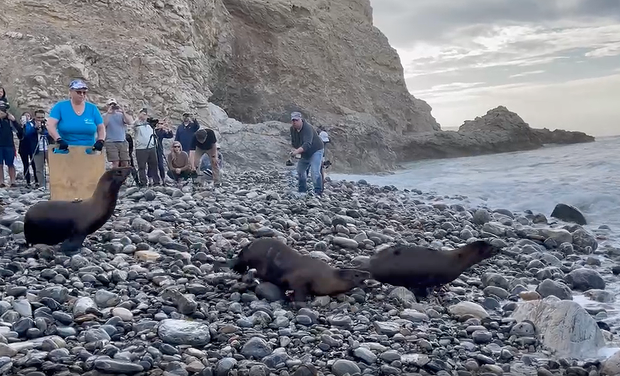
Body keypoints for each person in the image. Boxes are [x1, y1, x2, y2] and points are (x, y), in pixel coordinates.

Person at [45, 79, 105, 152]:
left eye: (84, 92)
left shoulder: (92, 108)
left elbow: (101, 127)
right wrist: (58, 139)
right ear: (71, 92)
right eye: (78, 92)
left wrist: (100, 140)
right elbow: (50, 125)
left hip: (88, 152)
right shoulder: (60, 106)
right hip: (66, 151)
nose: (82, 94)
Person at [289, 111, 324, 195]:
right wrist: (294, 151)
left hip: (316, 150)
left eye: (296, 120)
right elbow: (294, 142)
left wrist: (296, 151)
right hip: (304, 153)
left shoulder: (308, 128)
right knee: (300, 171)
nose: (294, 122)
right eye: (293, 120)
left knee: (315, 172)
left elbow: (307, 144)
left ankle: (318, 192)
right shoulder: (292, 129)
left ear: (301, 120)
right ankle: (302, 191)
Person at [132, 108, 160, 187]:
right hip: (141, 148)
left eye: (146, 114)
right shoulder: (137, 124)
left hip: (151, 147)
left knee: (154, 164)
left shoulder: (149, 124)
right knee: (142, 166)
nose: (145, 116)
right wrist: (139, 117)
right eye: (143, 114)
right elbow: (133, 125)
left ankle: (156, 182)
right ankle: (143, 182)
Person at [103, 98, 133, 167]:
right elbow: (104, 125)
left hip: (122, 141)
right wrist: (108, 113)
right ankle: (114, 177)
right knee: (115, 163)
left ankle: (122, 177)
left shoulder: (121, 115)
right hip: (111, 142)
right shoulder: (105, 115)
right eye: (110, 105)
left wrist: (123, 112)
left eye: (114, 105)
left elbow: (129, 122)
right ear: (107, 106)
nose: (112, 106)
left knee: (125, 162)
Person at [0, 102, 23, 187]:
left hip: (9, 144)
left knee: (10, 163)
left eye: (3, 109)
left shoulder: (9, 119)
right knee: (0, 164)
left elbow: (19, 130)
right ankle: (1, 182)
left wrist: (14, 120)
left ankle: (13, 181)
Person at [30, 109, 52, 188]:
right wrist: (35, 129)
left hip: (48, 148)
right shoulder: (30, 124)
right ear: (34, 117)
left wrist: (44, 129)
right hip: (37, 149)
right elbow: (27, 134)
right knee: (39, 168)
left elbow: (51, 133)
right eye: (38, 117)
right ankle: (42, 185)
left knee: (52, 167)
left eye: (42, 117)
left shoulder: (48, 124)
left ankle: (53, 184)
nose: (40, 119)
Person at [19, 111, 40, 187]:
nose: (27, 117)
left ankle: (37, 180)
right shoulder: (21, 125)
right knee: (25, 164)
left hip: (32, 146)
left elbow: (35, 132)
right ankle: (27, 181)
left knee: (34, 164)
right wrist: (22, 126)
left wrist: (36, 128)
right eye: (25, 116)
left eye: (28, 116)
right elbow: (20, 135)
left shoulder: (33, 124)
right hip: (23, 147)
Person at [154, 117, 174, 185]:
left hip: (159, 149)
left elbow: (170, 136)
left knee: (160, 165)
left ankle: (163, 179)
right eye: (159, 123)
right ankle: (154, 180)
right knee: (153, 165)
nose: (161, 125)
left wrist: (168, 128)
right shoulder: (154, 130)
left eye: (162, 123)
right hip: (151, 149)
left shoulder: (162, 131)